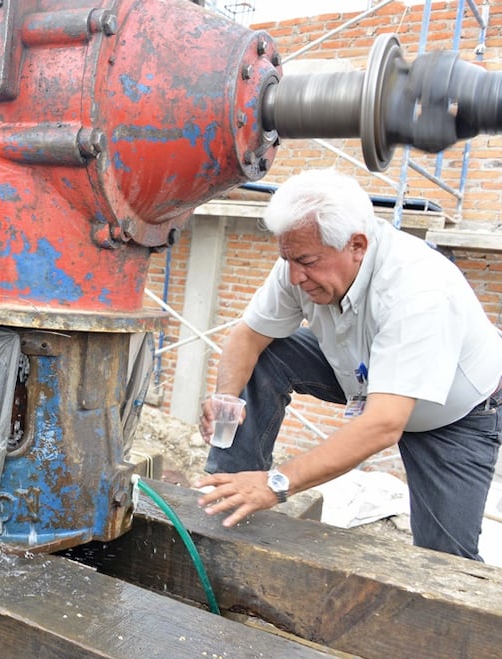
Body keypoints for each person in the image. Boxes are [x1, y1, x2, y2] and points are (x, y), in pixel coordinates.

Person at [195, 168, 502, 561]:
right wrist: (225, 398)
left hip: (452, 414)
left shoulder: (419, 291)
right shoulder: (300, 263)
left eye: (306, 261)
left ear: (357, 245)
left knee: (443, 561)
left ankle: (253, 489)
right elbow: (248, 336)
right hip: (360, 370)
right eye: (287, 259)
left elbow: (383, 424)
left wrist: (276, 484)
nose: (294, 276)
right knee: (269, 352)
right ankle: (227, 493)